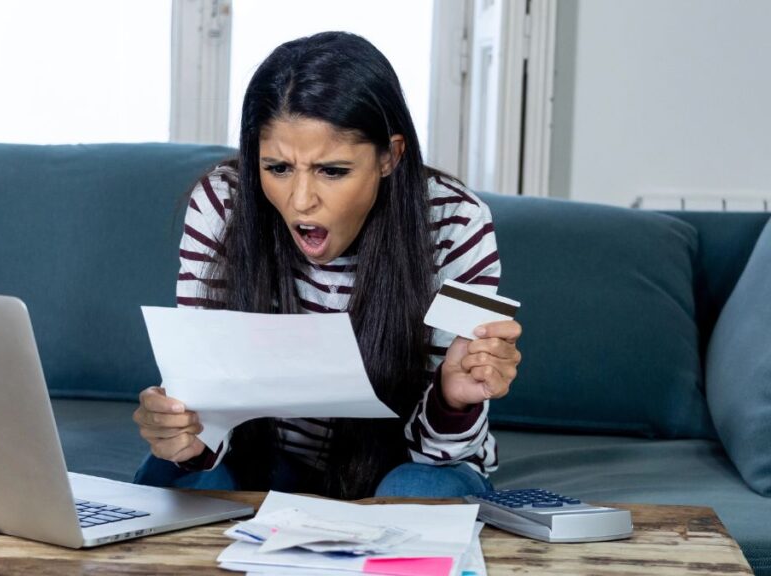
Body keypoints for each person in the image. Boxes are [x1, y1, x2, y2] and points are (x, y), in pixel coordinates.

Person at [133, 31, 522, 500]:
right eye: (277, 168)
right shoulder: (223, 204)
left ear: (390, 156)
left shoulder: (456, 222)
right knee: (178, 481)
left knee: (416, 490)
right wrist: (184, 435)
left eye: (332, 171)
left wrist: (453, 396)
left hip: (404, 461)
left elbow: (441, 452)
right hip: (264, 458)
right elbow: (206, 421)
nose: (300, 201)